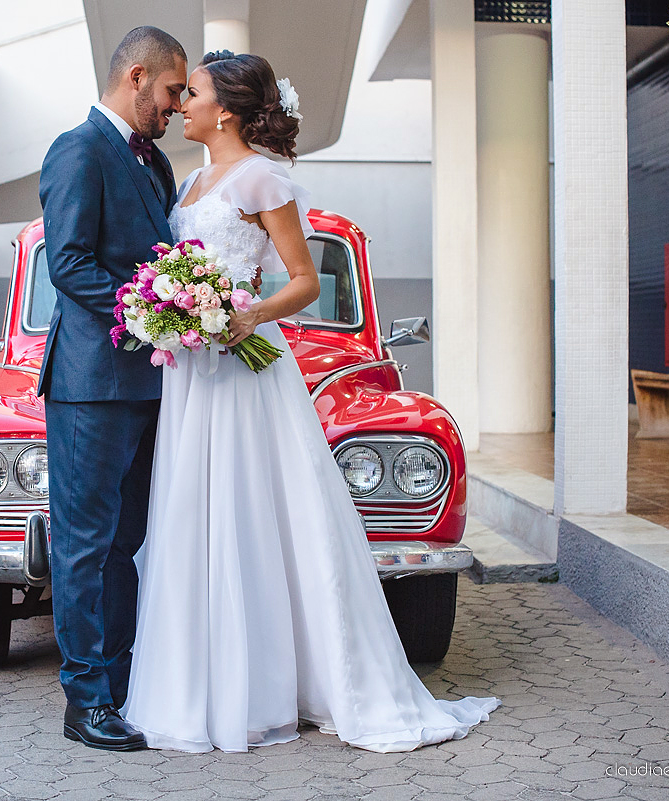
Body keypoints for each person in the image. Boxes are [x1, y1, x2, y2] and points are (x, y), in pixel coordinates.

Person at [121, 50, 501, 753]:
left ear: (224, 111)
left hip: (242, 371)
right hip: (191, 376)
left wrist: (246, 315)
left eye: (193, 93)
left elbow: (303, 281)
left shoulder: (264, 176)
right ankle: (200, 684)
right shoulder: (191, 180)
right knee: (193, 512)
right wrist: (168, 307)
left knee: (250, 512)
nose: (182, 104)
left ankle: (270, 683)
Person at [36, 26, 187, 751]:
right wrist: (155, 308)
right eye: (170, 90)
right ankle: (85, 700)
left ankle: (122, 684)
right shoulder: (77, 150)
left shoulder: (155, 163)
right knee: (85, 546)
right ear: (136, 78)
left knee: (128, 542)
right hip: (91, 387)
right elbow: (66, 264)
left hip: (149, 388)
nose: (177, 104)